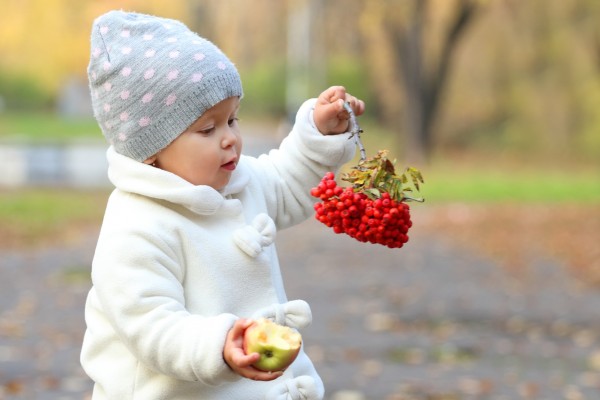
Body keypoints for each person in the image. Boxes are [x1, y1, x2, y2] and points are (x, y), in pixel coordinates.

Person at [81, 10, 364, 400]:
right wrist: (217, 344)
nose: (229, 138)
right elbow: (150, 325)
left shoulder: (235, 182)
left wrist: (317, 135)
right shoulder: (136, 225)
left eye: (233, 119)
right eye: (208, 129)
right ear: (149, 150)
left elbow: (286, 181)